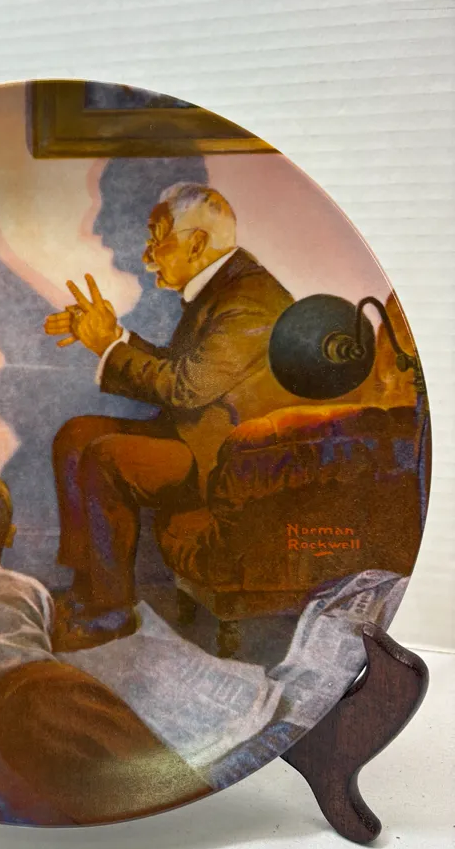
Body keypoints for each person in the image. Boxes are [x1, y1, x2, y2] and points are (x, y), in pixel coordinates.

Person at [44, 183, 296, 650]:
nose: (147, 256)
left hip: (229, 462)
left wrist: (108, 348)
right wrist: (114, 335)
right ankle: (88, 589)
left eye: (156, 238)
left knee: (106, 458)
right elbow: (185, 369)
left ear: (196, 243)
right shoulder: (225, 285)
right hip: (197, 437)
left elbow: (186, 387)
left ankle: (112, 612)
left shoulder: (249, 298)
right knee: (76, 435)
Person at [0, 472, 210, 824]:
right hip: (60, 678)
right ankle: (199, 816)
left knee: (85, 784)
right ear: (10, 534)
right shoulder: (31, 588)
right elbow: (49, 637)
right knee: (133, 745)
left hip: (8, 701)